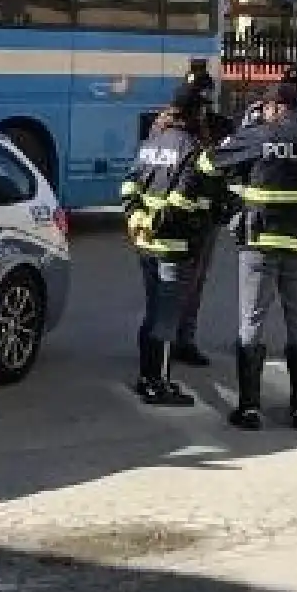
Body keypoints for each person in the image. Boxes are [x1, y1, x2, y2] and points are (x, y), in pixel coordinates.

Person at [190, 81, 297, 430]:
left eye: (266, 107)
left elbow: (209, 165)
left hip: (261, 243)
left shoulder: (261, 135)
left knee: (251, 323)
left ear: (275, 107)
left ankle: (250, 408)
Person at [119, 81, 220, 406]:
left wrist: (138, 220)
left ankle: (147, 377)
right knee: (166, 319)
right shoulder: (191, 147)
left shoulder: (152, 140)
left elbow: (128, 186)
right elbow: (182, 199)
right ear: (196, 111)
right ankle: (157, 383)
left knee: (153, 313)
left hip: (146, 243)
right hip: (173, 245)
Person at [171, 63, 232, 367]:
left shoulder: (220, 127)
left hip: (205, 216)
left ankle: (184, 339)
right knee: (173, 282)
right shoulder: (168, 127)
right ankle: (167, 340)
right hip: (174, 217)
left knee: (194, 282)